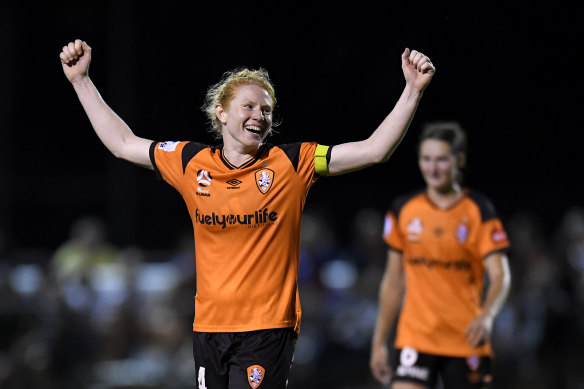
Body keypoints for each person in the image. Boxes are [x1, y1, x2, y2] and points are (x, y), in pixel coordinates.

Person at [59, 38, 435, 389]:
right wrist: (81, 81)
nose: (260, 115)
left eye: (267, 109)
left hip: (267, 329)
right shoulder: (190, 162)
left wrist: (412, 91)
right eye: (250, 106)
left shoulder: (292, 162)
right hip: (208, 329)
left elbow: (374, 150)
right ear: (221, 112)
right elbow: (123, 144)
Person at [369, 121, 512, 388]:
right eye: (426, 159)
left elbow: (500, 275)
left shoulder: (478, 211)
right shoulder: (404, 210)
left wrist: (488, 315)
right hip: (416, 337)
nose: (432, 168)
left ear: (460, 161)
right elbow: (393, 282)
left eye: (441, 160)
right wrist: (379, 342)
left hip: (466, 339)